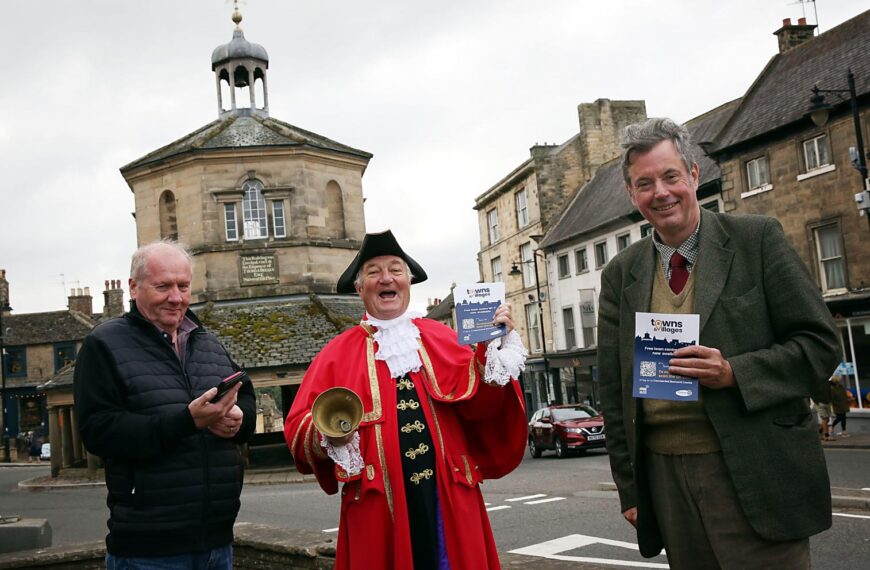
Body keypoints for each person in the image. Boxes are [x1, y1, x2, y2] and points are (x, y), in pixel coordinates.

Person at [598, 118, 839, 569]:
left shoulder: (757, 239)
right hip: (667, 480)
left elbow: (820, 346)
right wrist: (631, 490)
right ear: (632, 195)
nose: (661, 192)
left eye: (670, 176)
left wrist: (733, 373)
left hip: (754, 466)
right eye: (644, 183)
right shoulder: (621, 273)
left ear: (692, 174)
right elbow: (613, 390)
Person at [284, 230, 528, 570]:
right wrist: (331, 436)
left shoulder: (441, 337)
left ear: (408, 281)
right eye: (374, 272)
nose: (387, 278)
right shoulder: (335, 355)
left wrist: (494, 350)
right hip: (376, 507)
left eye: (396, 269)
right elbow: (298, 431)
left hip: (450, 499)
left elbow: (481, 409)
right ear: (360, 287)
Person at [74, 241, 256, 569]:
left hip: (217, 542)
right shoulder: (103, 344)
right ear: (133, 286)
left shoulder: (207, 341)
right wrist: (187, 421)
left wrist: (239, 419)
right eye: (163, 287)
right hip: (148, 550)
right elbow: (99, 431)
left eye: (183, 286)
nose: (176, 297)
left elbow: (245, 394)